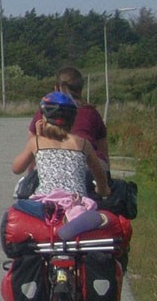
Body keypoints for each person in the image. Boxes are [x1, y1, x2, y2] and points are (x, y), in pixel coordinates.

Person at [13, 92, 111, 239]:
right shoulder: (83, 143)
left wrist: (36, 139)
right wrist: (102, 189)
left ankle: (56, 229)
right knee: (99, 215)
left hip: (45, 203)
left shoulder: (37, 142)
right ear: (73, 119)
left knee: (17, 208)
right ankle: (73, 223)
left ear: (43, 118)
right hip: (75, 201)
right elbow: (99, 174)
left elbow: (16, 168)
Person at [28, 65, 109, 166]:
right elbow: (103, 148)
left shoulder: (47, 109)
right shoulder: (91, 112)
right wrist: (107, 176)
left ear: (56, 88)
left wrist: (31, 175)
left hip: (56, 163)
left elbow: (31, 148)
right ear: (80, 89)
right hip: (92, 164)